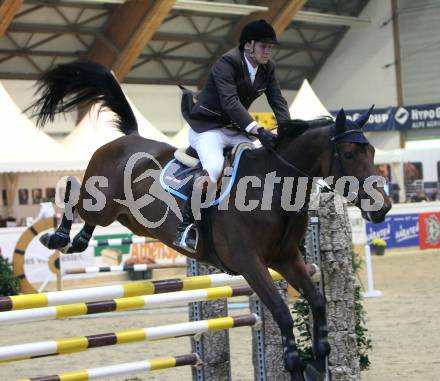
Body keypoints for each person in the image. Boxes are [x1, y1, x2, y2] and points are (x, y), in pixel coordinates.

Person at [174, 19, 291, 252]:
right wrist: (257, 130)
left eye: (271, 47)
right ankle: (186, 226)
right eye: (263, 46)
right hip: (207, 129)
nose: (268, 51)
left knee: (257, 164)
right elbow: (230, 102)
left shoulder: (268, 68)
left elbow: (277, 100)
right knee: (216, 167)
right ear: (249, 45)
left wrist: (288, 130)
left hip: (234, 131)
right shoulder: (226, 63)